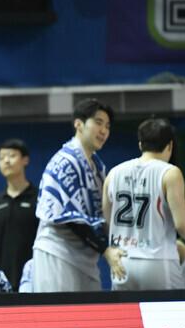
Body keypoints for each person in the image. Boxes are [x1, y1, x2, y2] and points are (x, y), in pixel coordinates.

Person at [102, 118, 185, 290]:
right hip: (158, 261)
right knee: (171, 308)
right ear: (170, 146)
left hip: (121, 261)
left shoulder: (113, 173)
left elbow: (106, 223)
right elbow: (182, 226)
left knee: (128, 309)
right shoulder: (170, 173)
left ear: (140, 144)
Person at [31, 98, 125, 292]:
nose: (104, 131)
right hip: (57, 252)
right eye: (98, 122)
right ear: (78, 124)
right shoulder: (66, 162)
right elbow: (72, 220)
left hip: (85, 256)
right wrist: (106, 250)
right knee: (58, 311)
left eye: (107, 126)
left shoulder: (97, 166)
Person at [0, 139, 38, 290]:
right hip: (2, 282)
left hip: (35, 278)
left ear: (25, 160)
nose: (6, 161)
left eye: (12, 156)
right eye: (1, 158)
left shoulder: (39, 198)